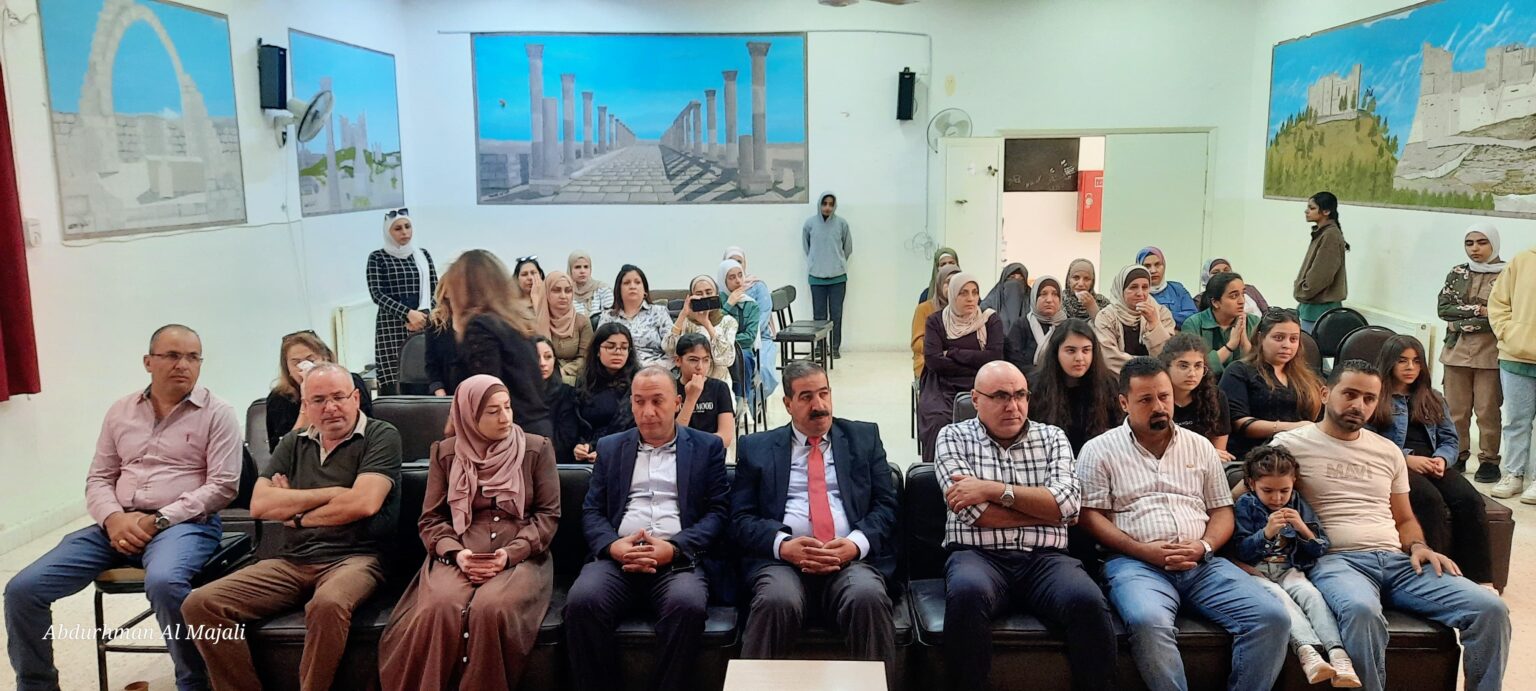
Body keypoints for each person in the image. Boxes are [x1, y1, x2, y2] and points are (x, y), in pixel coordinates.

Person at [5, 325, 238, 691]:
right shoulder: (121, 411)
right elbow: (99, 478)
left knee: (164, 582)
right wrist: (114, 519)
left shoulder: (218, 412)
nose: (183, 365)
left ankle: (195, 683)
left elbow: (223, 485)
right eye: (172, 355)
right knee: (23, 589)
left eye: (193, 357)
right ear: (148, 362)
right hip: (116, 525)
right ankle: (36, 685)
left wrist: (159, 520)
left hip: (184, 525)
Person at [1272, 360, 1510, 691]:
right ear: (1325, 394)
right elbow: (1251, 489)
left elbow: (1405, 518)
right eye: (1350, 394)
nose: (1359, 405)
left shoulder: (1387, 451)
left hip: (1397, 561)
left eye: (1369, 398)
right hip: (1336, 560)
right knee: (1360, 610)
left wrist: (1419, 546)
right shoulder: (1290, 444)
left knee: (1490, 609)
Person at [183, 363, 401, 691]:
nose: (330, 407)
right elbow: (260, 505)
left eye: (339, 397)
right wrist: (334, 493)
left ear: (356, 398)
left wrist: (297, 513)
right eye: (319, 400)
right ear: (306, 406)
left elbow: (364, 503)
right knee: (200, 604)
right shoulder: (293, 442)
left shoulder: (381, 435)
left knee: (328, 603)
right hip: (293, 560)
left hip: (357, 558)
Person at [1077, 357, 1289, 691]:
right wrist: (1142, 550)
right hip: (1135, 564)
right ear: (1124, 403)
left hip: (1202, 563)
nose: (1159, 406)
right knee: (1148, 621)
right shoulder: (1099, 450)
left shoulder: (1200, 446)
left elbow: (1222, 510)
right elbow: (1089, 516)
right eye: (1146, 400)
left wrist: (1204, 545)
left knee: (1272, 617)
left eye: (1164, 396)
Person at [938, 361, 1117, 691]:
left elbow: (1068, 504)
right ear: (975, 400)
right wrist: (1048, 512)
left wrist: (992, 489)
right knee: (966, 593)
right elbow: (975, 513)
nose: (1013, 406)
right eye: (1001, 396)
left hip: (1045, 560)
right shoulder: (953, 437)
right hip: (978, 556)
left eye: (1020, 395)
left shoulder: (1052, 437)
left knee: (1087, 600)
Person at [377, 375, 560, 691]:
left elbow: (548, 516)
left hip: (521, 554)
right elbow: (431, 519)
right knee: (441, 606)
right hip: (459, 551)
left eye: (507, 407)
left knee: (491, 608)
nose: (505, 417)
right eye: (493, 411)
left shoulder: (536, 448)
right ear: (469, 415)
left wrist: (509, 554)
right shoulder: (446, 453)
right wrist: (456, 553)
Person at [732, 360, 899, 682]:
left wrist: (855, 544)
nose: (819, 405)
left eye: (824, 393)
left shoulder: (864, 437)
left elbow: (887, 505)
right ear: (788, 404)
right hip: (782, 564)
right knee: (775, 600)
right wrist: (783, 546)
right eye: (807, 397)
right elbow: (740, 518)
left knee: (867, 596)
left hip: (850, 561)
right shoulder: (756, 448)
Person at [564, 366, 730, 691]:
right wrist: (612, 546)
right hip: (618, 557)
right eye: (639, 402)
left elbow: (718, 512)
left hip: (677, 559)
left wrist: (676, 547)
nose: (647, 411)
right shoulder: (611, 447)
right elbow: (592, 511)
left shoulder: (707, 447)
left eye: (657, 401)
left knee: (687, 605)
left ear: (678, 403)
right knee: (582, 601)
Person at [1367, 335, 1493, 586]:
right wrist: (1407, 459)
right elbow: (1368, 439)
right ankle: (1437, 577)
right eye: (1402, 361)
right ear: (1389, 362)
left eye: (1416, 361)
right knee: (1429, 500)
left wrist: (1442, 459)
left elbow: (1450, 439)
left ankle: (1480, 580)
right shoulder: (1375, 397)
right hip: (1397, 463)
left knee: (1470, 500)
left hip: (1433, 462)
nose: (1410, 367)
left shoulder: (1433, 397)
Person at [1232, 446, 1360, 687]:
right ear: (1251, 483)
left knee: (1312, 595)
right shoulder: (1246, 505)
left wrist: (1302, 527)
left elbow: (1320, 547)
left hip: (1290, 568)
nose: (1277, 498)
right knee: (1282, 600)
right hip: (1257, 573)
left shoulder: (1297, 503)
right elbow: (1240, 551)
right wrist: (1266, 533)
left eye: (1284, 491)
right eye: (1267, 491)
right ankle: (1307, 651)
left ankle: (1338, 654)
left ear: (1294, 483)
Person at [441, 250, 551, 438]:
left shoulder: (480, 327)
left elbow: (486, 394)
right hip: (535, 431)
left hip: (506, 437)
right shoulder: (516, 323)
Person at [1220, 308, 1323, 477]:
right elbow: (1239, 423)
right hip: (1253, 457)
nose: (1287, 345)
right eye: (1279, 338)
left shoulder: (1307, 376)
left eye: (1293, 339)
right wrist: (1292, 428)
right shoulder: (1239, 371)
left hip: (1299, 454)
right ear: (1261, 338)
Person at [1438, 224, 1505, 482]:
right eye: (1469, 243)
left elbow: (1500, 315)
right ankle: (1457, 454)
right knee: (1456, 410)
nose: (1475, 248)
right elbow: (1444, 310)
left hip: (1491, 353)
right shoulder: (1458, 273)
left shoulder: (1507, 273)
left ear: (1494, 244)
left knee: (1487, 411)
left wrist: (1460, 321)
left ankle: (1489, 460)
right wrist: (1479, 311)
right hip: (1456, 351)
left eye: (1482, 242)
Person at [919, 271, 1004, 461]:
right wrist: (977, 362)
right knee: (938, 420)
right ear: (952, 294)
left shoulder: (990, 320)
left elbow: (994, 358)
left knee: (996, 415)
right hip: (941, 384)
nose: (971, 298)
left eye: (975, 292)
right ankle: (936, 471)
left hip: (982, 384)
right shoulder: (936, 321)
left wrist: (953, 353)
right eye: (963, 293)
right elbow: (934, 361)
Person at [367, 208, 438, 394]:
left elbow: (435, 288)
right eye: (397, 228)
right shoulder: (378, 258)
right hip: (392, 327)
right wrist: (407, 314)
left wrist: (424, 317)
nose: (404, 232)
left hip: (423, 323)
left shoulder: (422, 255)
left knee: (424, 374)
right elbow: (377, 294)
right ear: (388, 232)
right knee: (395, 379)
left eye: (407, 226)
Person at [266, 331, 374, 452]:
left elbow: (366, 430)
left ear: (325, 359)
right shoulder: (279, 398)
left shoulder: (351, 382)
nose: (304, 366)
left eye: (311, 360)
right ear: (288, 369)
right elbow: (283, 452)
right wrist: (306, 397)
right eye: (296, 363)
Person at [1027, 319, 1123, 454]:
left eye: (1086, 350)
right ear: (1056, 352)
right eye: (1071, 351)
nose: (1079, 358)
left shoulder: (1107, 384)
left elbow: (1118, 431)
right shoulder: (1036, 386)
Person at [1489, 238, 1536, 502]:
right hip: (1515, 357)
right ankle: (1513, 474)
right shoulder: (1522, 259)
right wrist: (1508, 333)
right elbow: (1498, 303)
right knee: (1516, 421)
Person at [1160, 333, 1233, 462]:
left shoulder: (1216, 397)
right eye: (1183, 366)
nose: (1192, 373)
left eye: (1198, 366)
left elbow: (1219, 453)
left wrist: (1207, 456)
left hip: (1204, 468)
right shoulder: (1155, 399)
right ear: (1166, 367)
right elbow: (1151, 450)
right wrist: (1201, 454)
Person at [573, 322, 639, 463]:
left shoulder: (638, 382)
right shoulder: (584, 381)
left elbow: (630, 427)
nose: (618, 352)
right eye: (610, 346)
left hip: (625, 451)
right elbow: (577, 422)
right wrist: (580, 446)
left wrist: (603, 449)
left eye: (624, 348)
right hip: (588, 453)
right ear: (597, 350)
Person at [1092, 264, 1175, 374]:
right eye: (1133, 287)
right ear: (1121, 289)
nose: (1140, 293)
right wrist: (1147, 368)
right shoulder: (1106, 317)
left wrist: (1154, 324)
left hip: (1156, 379)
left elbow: (1168, 356)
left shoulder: (1161, 313)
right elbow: (1110, 359)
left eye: (1145, 287)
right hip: (1118, 379)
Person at [1181, 271, 1260, 379]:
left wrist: (1244, 343)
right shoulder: (1193, 324)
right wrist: (1230, 346)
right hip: (1204, 384)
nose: (1242, 301)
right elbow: (1194, 367)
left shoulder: (1254, 322)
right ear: (1215, 302)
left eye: (1243, 294)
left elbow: (1261, 367)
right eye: (1234, 296)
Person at [722, 247, 779, 396]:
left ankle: (751, 405)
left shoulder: (757, 286)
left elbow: (762, 317)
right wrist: (729, 303)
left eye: (739, 262)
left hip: (760, 338)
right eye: (731, 261)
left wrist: (744, 335)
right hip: (728, 343)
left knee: (763, 370)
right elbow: (717, 324)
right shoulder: (720, 293)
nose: (737, 279)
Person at [664, 274, 738, 388]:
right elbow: (670, 350)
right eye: (699, 294)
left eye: (709, 293)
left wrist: (706, 323)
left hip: (719, 383)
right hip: (689, 381)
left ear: (716, 295)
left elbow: (726, 359)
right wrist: (683, 314)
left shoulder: (728, 322)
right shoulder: (686, 321)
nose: (704, 297)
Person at [803, 191, 853, 358]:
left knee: (836, 314)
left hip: (838, 278)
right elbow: (807, 247)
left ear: (834, 206)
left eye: (831, 204)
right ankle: (820, 347)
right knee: (819, 316)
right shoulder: (809, 224)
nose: (827, 207)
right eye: (825, 204)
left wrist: (837, 262)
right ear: (820, 204)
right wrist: (816, 262)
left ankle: (835, 347)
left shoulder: (842, 224)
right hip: (816, 277)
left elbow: (847, 248)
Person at [1294, 191, 1350, 333]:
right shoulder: (1323, 232)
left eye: (1312, 208)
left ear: (1326, 211)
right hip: (1313, 306)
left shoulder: (1330, 235)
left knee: (1311, 345)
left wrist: (1304, 291)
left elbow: (1322, 274)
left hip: (1320, 308)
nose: (1307, 211)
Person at [598, 264, 673, 368]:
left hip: (655, 369)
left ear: (645, 290)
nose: (632, 286)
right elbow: (599, 349)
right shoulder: (608, 316)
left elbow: (672, 350)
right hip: (618, 370)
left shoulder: (659, 312)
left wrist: (654, 368)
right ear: (618, 289)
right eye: (627, 283)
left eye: (637, 282)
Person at [674, 333, 735, 449]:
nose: (700, 367)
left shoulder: (720, 388)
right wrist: (691, 399)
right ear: (678, 360)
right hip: (680, 455)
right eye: (693, 360)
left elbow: (725, 438)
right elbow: (674, 439)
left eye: (706, 360)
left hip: (711, 454)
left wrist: (691, 443)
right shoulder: (670, 389)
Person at [1003, 274, 1065, 376]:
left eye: (1055, 294)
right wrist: (1039, 375)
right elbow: (1013, 359)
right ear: (1034, 297)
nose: (1049, 300)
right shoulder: (1021, 325)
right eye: (1043, 294)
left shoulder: (1066, 327)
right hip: (1026, 380)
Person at [719, 258, 763, 400]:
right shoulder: (717, 302)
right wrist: (728, 305)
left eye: (740, 275)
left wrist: (725, 341)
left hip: (741, 350)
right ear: (723, 280)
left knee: (741, 357)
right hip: (716, 348)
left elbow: (749, 338)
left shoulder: (751, 305)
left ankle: (741, 401)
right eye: (732, 277)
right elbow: (714, 327)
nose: (738, 281)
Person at [542, 269, 594, 385]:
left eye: (568, 291)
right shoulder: (536, 321)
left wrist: (563, 371)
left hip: (573, 379)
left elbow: (586, 357)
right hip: (542, 375)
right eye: (556, 290)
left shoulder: (582, 321)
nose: (563, 296)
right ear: (546, 292)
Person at [535, 336, 581, 465]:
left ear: (555, 360)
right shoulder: (515, 396)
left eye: (548, 357)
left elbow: (567, 438)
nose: (542, 363)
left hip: (557, 463)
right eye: (536, 357)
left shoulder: (567, 393)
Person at [912, 264, 961, 380]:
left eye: (957, 282)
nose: (953, 286)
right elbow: (917, 343)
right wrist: (938, 349)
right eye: (948, 282)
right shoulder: (924, 308)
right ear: (939, 285)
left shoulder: (967, 310)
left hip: (958, 360)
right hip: (929, 361)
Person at [1137, 247, 1197, 328]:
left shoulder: (1177, 289)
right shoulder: (1136, 294)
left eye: (1157, 264)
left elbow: (1192, 317)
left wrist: (1161, 315)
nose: (1153, 270)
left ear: (1164, 266)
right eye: (1147, 266)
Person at [425, 279, 459, 397]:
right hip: (444, 393)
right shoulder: (435, 322)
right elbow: (431, 364)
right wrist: (439, 392)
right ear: (445, 292)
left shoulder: (480, 321)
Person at [1198, 258, 1267, 315]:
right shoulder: (1200, 299)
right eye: (1216, 272)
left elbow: (1267, 311)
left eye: (1226, 270)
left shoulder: (1250, 289)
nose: (1222, 274)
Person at [979, 262, 1029, 333]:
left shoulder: (1032, 306)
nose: (1016, 282)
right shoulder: (987, 307)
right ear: (1003, 281)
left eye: (1021, 279)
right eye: (1012, 277)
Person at [569, 250, 615, 318]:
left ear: (591, 269)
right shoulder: (566, 293)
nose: (582, 271)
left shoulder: (603, 289)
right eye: (577, 267)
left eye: (586, 267)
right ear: (570, 270)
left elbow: (610, 317)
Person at [511, 255, 547, 333]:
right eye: (524, 274)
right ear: (517, 278)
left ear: (540, 275)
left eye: (533, 273)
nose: (530, 278)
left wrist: (536, 298)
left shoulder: (550, 300)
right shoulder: (511, 305)